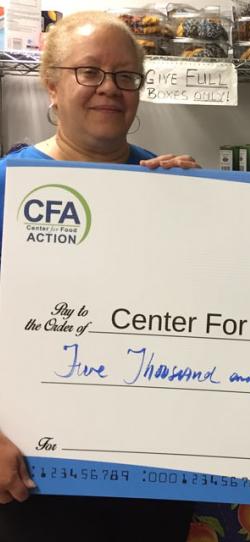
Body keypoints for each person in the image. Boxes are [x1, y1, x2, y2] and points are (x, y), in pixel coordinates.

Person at [0, 10, 199, 541]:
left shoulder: (169, 183)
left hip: (151, 472)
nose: (109, 89)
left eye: (125, 77)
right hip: (35, 477)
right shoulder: (9, 187)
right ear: (52, 84)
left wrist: (209, 218)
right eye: (89, 72)